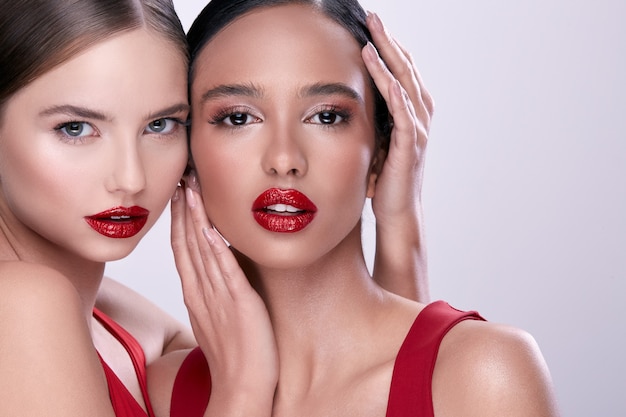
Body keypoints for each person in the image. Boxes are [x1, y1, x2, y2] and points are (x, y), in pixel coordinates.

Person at [0, 1, 432, 416]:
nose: (130, 178)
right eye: (75, 128)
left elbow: (371, 384)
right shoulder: (20, 302)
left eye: (160, 125)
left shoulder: (118, 319)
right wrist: (243, 388)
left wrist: (397, 220)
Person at [151, 0, 561, 416]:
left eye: (326, 117)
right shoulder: (163, 392)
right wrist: (239, 396)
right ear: (185, 154)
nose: (283, 158)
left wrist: (400, 219)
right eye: (239, 118)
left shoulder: (484, 375)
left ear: (381, 152)